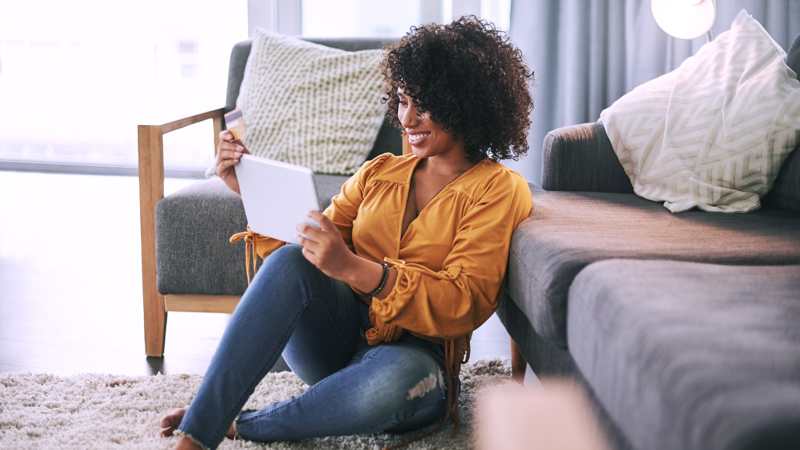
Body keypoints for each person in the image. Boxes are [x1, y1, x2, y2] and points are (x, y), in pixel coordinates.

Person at [160, 15, 534, 450]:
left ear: (466, 105)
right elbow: (308, 254)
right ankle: (198, 434)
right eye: (402, 101)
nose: (407, 118)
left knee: (390, 387)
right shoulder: (379, 172)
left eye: (424, 105)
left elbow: (463, 301)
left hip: (417, 360)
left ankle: (244, 424)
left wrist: (359, 270)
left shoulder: (497, 189)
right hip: (334, 339)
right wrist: (246, 190)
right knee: (290, 259)